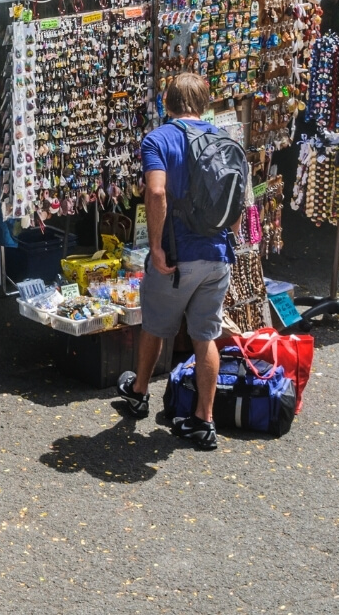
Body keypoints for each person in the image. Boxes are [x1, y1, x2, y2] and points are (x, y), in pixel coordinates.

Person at [117, 73, 234, 451]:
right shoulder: (225, 140)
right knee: (206, 337)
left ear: (167, 103)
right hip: (218, 255)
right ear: (205, 103)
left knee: (154, 325)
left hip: (178, 256)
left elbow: (156, 191)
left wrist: (156, 246)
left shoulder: (159, 139)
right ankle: (204, 420)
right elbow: (237, 202)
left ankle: (138, 393)